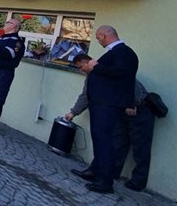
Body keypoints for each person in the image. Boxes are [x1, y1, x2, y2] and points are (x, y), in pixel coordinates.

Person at [66, 54, 155, 192]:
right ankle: (105, 174)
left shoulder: (106, 70)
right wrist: (73, 112)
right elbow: (86, 97)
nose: (80, 70)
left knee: (140, 148)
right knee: (114, 145)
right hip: (121, 113)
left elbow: (130, 83)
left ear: (87, 62)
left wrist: (133, 103)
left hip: (139, 110)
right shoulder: (92, 77)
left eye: (81, 67)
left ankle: (138, 182)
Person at [73, 25, 139, 194]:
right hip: (104, 103)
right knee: (101, 140)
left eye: (97, 37)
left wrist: (96, 67)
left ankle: (105, 181)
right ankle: (95, 171)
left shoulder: (123, 52)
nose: (97, 40)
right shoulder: (117, 52)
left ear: (103, 35)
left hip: (108, 105)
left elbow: (121, 74)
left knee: (104, 141)